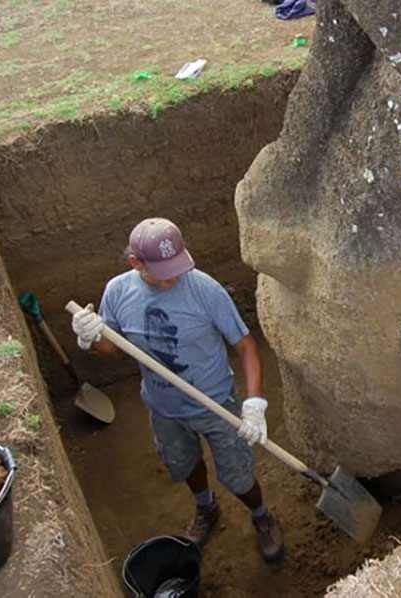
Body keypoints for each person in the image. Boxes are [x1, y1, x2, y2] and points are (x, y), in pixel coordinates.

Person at [70, 217, 284, 562]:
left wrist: (255, 402)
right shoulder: (118, 292)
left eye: (177, 265)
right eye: (163, 270)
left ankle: (261, 516)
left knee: (239, 474)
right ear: (135, 263)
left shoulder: (204, 290)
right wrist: (91, 337)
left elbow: (245, 345)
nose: (173, 276)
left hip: (214, 403)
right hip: (163, 406)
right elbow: (111, 349)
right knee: (184, 464)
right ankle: (206, 509)